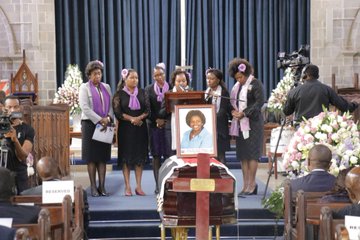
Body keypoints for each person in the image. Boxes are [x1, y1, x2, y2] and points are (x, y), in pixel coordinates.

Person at [229, 58, 265, 195]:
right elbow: (234, 103)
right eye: (237, 78)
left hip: (253, 123)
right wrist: (234, 111)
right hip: (240, 124)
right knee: (243, 155)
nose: (239, 80)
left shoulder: (256, 84)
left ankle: (252, 183)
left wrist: (244, 113)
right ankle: (245, 185)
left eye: (241, 77)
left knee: (252, 155)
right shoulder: (237, 88)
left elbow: (260, 102)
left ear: (247, 73)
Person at [79, 60, 114, 197]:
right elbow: (85, 108)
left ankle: (102, 187)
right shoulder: (84, 88)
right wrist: (100, 119)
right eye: (94, 74)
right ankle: (93, 187)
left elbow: (110, 106)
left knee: (102, 157)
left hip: (105, 125)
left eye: (99, 74)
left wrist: (109, 118)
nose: (97, 76)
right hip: (90, 125)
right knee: (91, 158)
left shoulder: (106, 87)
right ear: (89, 75)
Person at [112, 68, 149, 196]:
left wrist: (139, 118)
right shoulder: (119, 94)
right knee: (126, 159)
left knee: (139, 158)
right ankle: (127, 186)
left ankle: (138, 186)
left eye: (136, 78)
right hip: (125, 130)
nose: (135, 80)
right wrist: (132, 119)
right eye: (132, 78)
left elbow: (148, 110)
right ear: (125, 79)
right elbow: (117, 113)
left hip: (140, 129)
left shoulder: (143, 92)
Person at [283, 64, 358, 124]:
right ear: (317, 76)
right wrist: (355, 103)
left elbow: (287, 111)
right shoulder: (327, 89)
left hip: (301, 130)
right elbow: (344, 107)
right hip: (321, 129)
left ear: (304, 75)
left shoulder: (294, 91)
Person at [145, 63, 172, 194]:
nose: (158, 77)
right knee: (156, 156)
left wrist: (164, 120)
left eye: (160, 74)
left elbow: (173, 107)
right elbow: (147, 109)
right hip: (154, 127)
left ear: (164, 74)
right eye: (155, 75)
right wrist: (157, 120)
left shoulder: (171, 88)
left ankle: (167, 184)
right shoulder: (148, 89)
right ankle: (157, 185)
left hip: (168, 125)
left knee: (168, 156)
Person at [2, 96, 35, 193]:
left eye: (16, 107)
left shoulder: (27, 129)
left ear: (20, 108)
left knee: (22, 204)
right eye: (9, 107)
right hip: (2, 175)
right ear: (4, 108)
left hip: (19, 175)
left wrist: (15, 140)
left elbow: (22, 156)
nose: (12, 110)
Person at [205, 68, 231, 163]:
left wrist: (213, 119)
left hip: (220, 127)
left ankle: (223, 174)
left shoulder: (223, 92)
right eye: (207, 78)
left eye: (212, 78)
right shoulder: (206, 92)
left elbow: (223, 110)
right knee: (211, 155)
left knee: (220, 154)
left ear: (218, 80)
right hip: (208, 127)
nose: (209, 81)